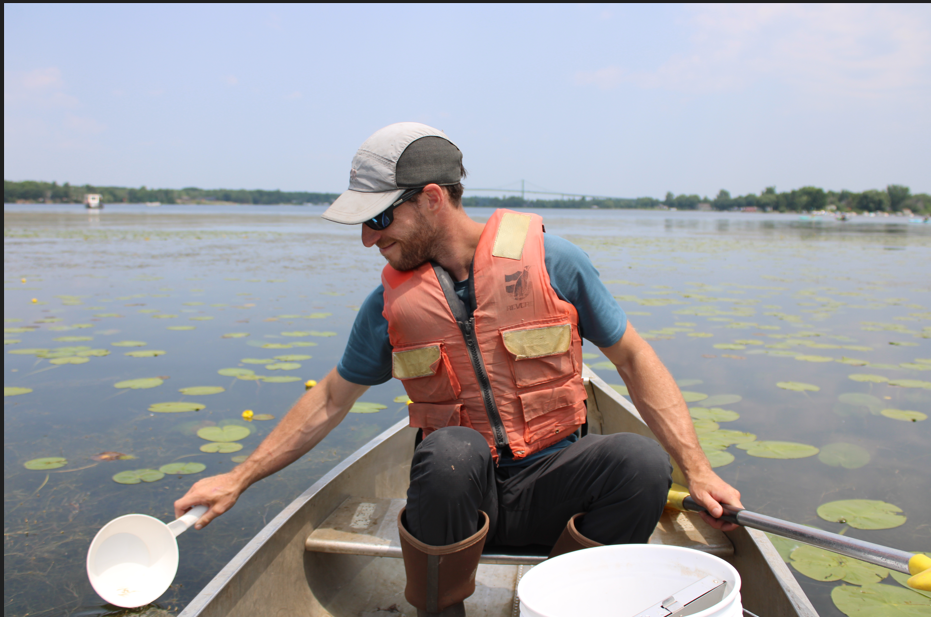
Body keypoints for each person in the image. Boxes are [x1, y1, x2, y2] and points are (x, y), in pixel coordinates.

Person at [175, 122, 742, 617]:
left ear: (430, 199)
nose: (368, 239)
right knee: (450, 451)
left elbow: (635, 359)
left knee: (640, 461)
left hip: (555, 489)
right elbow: (329, 399)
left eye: (377, 218)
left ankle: (569, 601)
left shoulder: (555, 263)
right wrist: (238, 478)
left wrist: (700, 470)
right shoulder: (388, 306)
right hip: (462, 502)